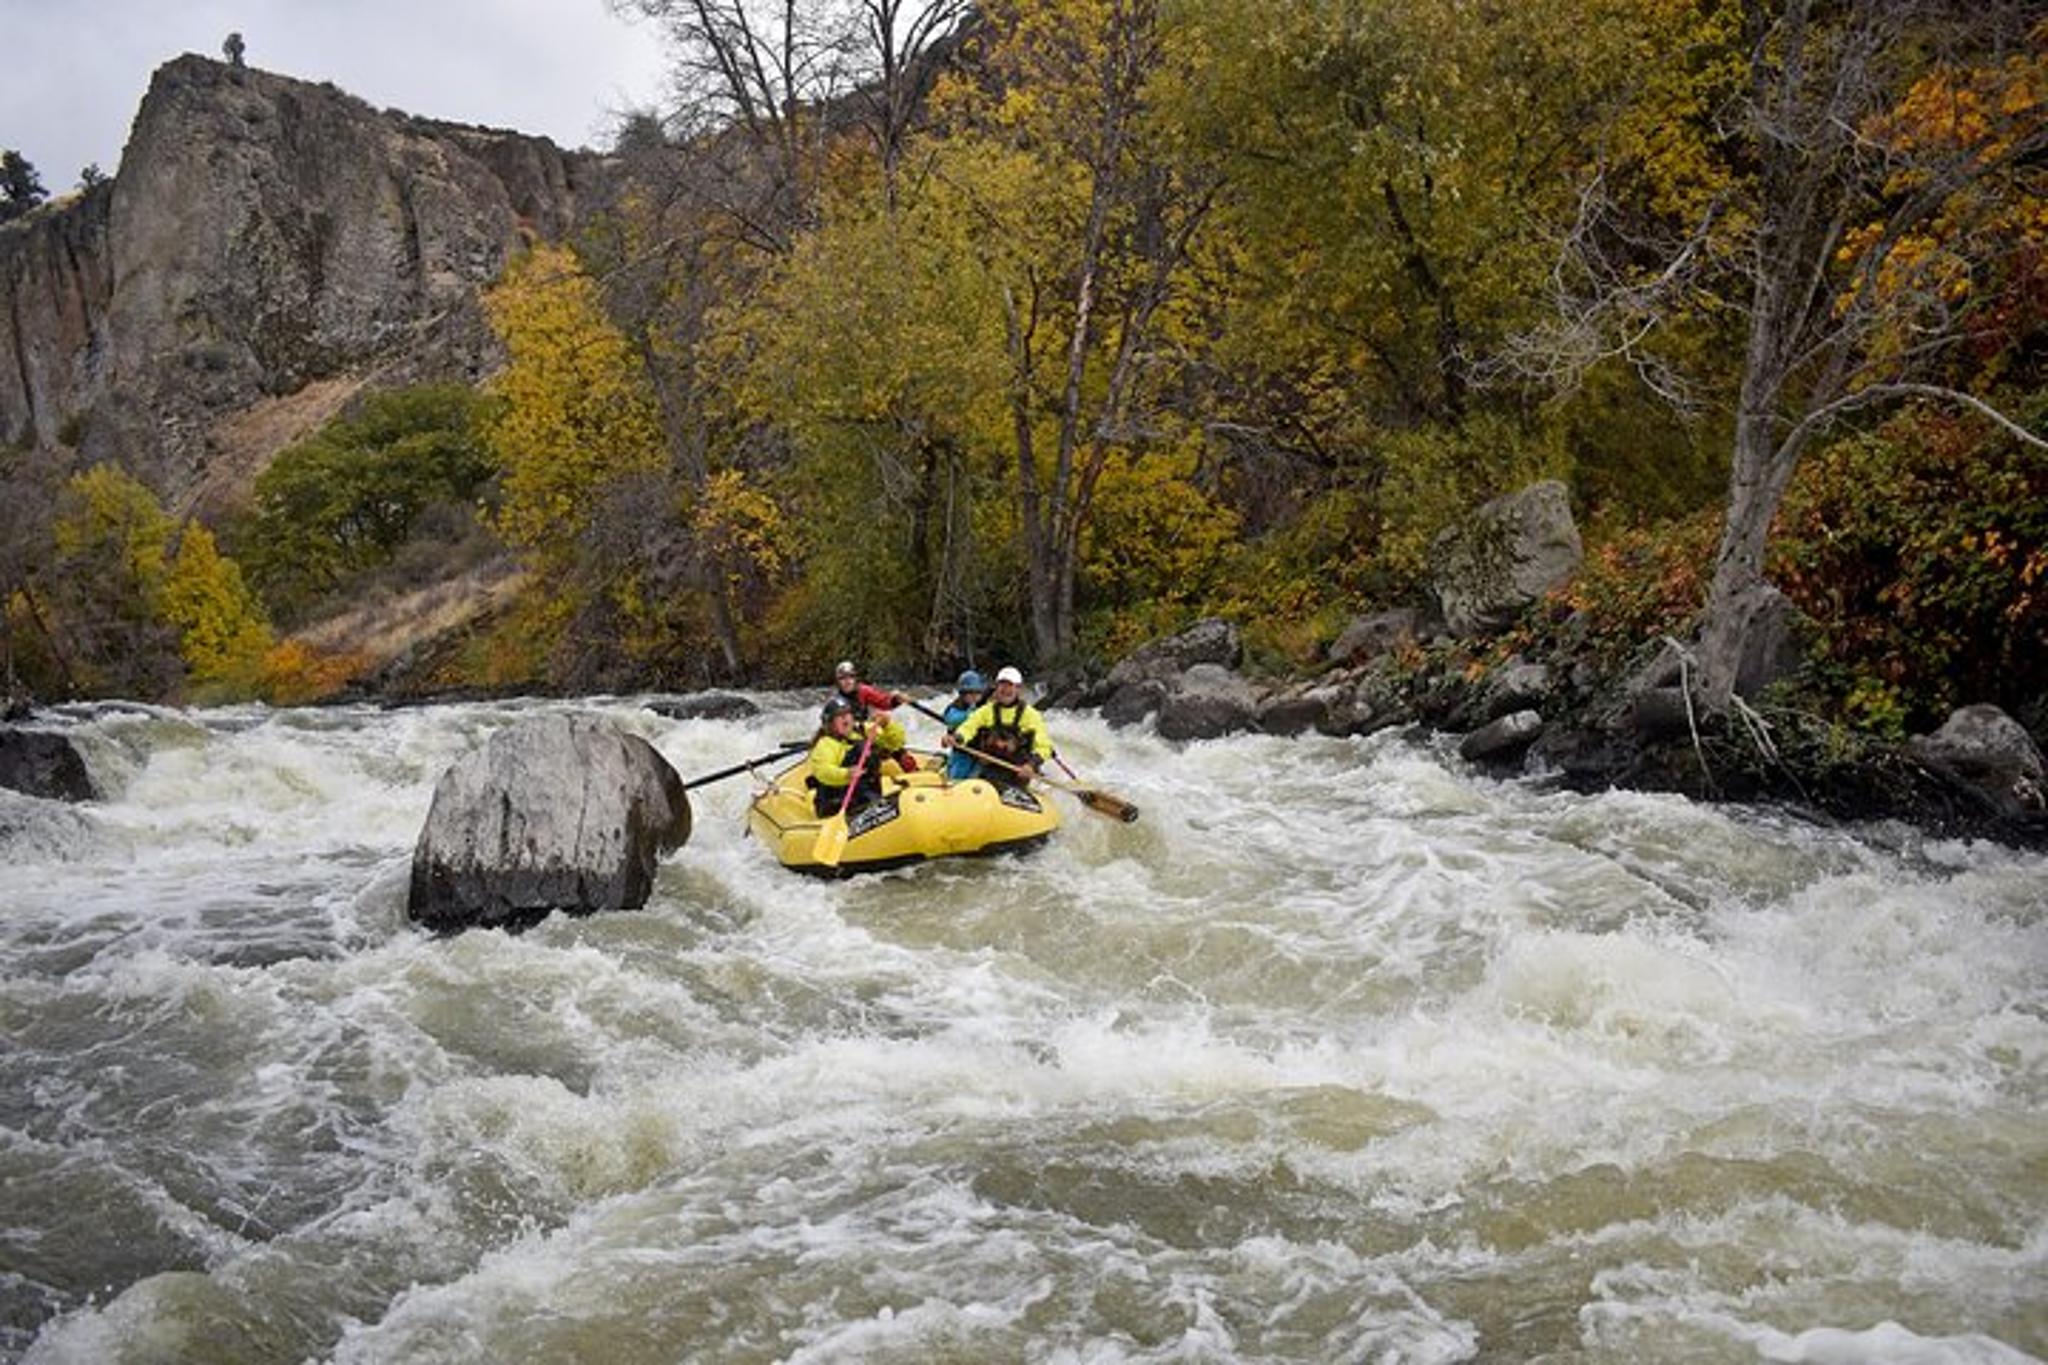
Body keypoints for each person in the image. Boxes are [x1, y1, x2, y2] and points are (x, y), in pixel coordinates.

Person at [947, 666, 1052, 787]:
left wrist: (1031, 765)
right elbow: (969, 727)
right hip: (989, 769)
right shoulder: (987, 711)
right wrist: (956, 738)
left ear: (1018, 688)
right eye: (1002, 684)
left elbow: (1044, 746)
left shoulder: (1031, 716)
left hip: (1018, 773)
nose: (1006, 689)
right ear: (997, 687)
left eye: (1010, 685)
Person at [807, 696, 903, 817]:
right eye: (839, 716)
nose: (845, 718)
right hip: (836, 804)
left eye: (847, 714)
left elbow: (896, 743)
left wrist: (888, 725)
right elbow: (822, 771)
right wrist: (846, 774)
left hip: (866, 797)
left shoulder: (863, 732)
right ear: (830, 723)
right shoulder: (825, 744)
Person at [831, 660, 918, 772]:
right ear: (838, 682)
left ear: (855, 679)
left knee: (899, 752)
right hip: (850, 738)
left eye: (850, 677)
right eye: (842, 678)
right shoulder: (835, 702)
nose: (847, 681)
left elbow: (884, 702)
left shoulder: (864, 691)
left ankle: (913, 771)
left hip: (867, 732)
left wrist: (896, 699)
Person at [941, 670, 987, 781]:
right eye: (971, 694)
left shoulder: (982, 707)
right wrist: (969, 715)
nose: (975, 697)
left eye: (977, 693)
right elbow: (950, 719)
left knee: (977, 774)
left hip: (977, 751)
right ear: (962, 694)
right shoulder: (956, 707)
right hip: (961, 751)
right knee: (958, 775)